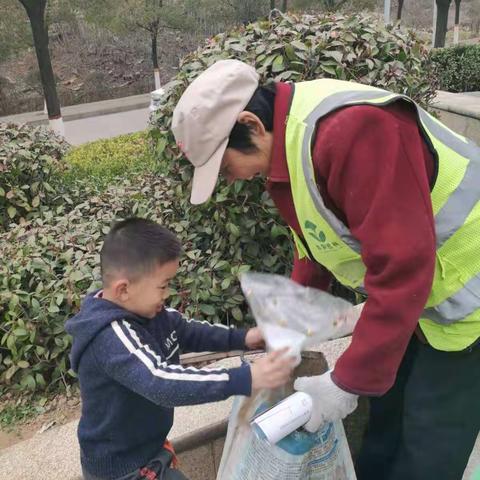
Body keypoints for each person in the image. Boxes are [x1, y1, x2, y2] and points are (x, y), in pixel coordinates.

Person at [171, 59, 480, 480]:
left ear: (252, 125)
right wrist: (289, 330)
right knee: (387, 417)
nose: (231, 180)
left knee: (429, 440)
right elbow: (315, 245)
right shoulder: (290, 152)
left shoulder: (355, 132)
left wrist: (346, 382)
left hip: (468, 298)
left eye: (225, 168)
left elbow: (403, 267)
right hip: (420, 300)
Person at [66, 217, 294, 480]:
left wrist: (245, 338)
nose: (167, 294)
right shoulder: (110, 337)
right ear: (124, 289)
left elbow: (188, 331)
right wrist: (245, 378)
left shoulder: (150, 312)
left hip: (148, 450)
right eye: (163, 285)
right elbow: (160, 382)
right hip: (122, 469)